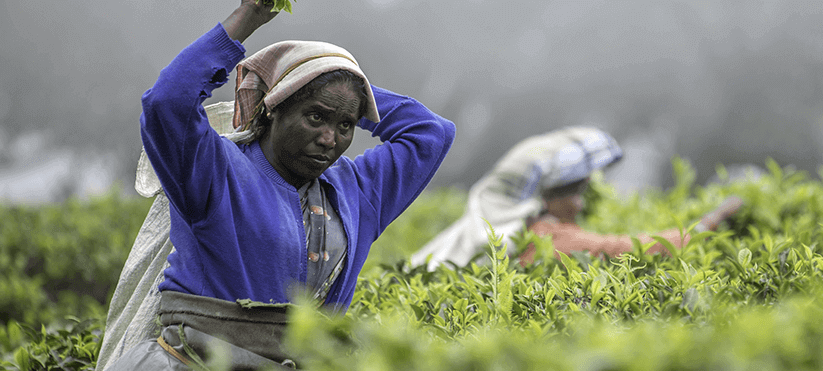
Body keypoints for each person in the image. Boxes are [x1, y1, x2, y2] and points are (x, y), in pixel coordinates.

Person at [102, 1, 455, 369]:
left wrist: (340, 78)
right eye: (315, 116)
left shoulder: (355, 194)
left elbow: (430, 132)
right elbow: (167, 100)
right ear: (274, 107)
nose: (329, 138)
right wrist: (248, 18)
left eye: (346, 125)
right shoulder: (216, 171)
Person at [409, 126, 740, 270]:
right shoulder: (543, 237)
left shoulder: (493, 231)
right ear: (542, 198)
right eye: (574, 192)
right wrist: (711, 222)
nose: (581, 204)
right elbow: (624, 249)